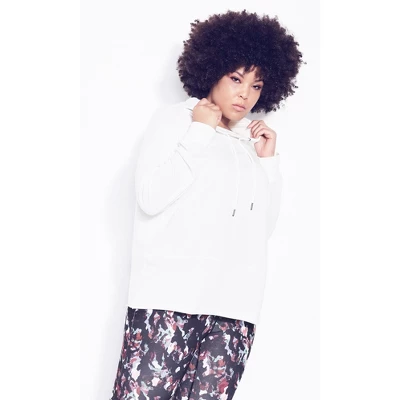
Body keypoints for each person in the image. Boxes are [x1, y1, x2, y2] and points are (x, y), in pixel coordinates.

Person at [110, 9, 305, 400]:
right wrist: (200, 129)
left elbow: (259, 230)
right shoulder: (176, 121)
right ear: (213, 69)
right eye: (236, 79)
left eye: (256, 85)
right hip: (167, 300)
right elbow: (150, 197)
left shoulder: (250, 144)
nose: (245, 94)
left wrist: (268, 163)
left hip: (235, 308)